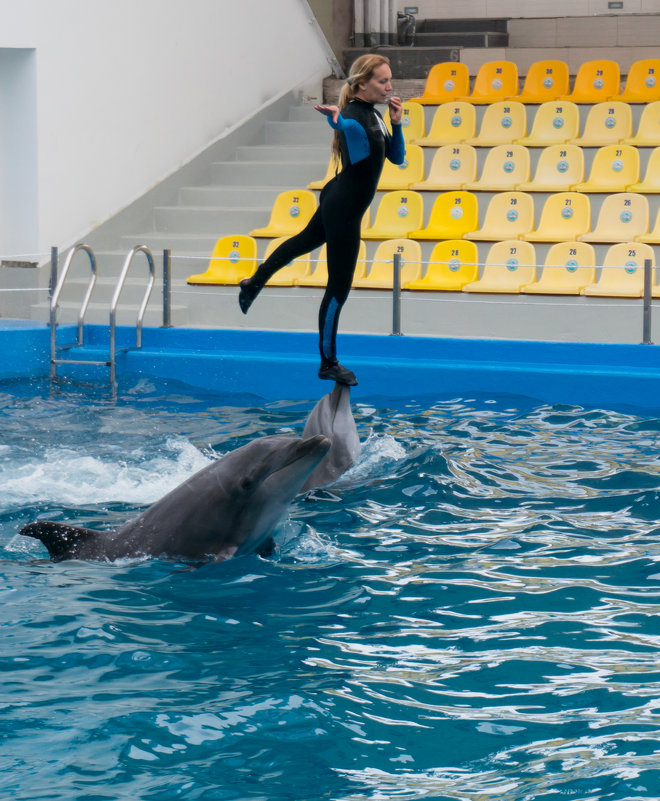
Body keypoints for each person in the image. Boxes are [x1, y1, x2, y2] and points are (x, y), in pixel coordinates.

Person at [238, 54, 405, 386]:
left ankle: (254, 282)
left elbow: (397, 158)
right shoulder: (353, 115)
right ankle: (328, 362)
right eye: (382, 81)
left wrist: (397, 122)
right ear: (361, 84)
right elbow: (343, 125)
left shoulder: (376, 115)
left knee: (302, 243)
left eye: (389, 80)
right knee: (338, 288)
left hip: (338, 196)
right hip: (343, 207)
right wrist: (334, 119)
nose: (389, 86)